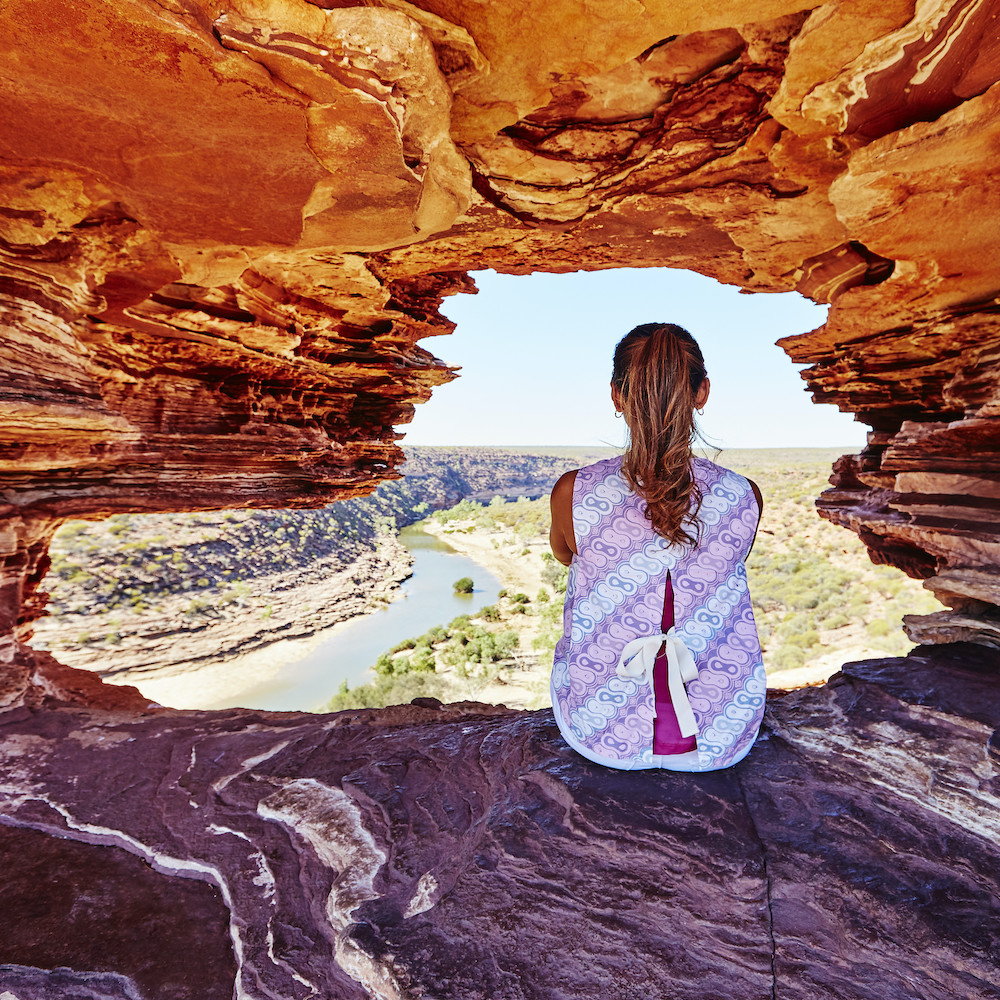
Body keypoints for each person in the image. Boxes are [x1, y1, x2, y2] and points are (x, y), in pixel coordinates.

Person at [548, 323, 765, 772]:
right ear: (702, 393)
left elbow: (566, 556)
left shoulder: (574, 492)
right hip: (722, 727)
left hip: (603, 727)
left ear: (616, 396)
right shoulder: (745, 495)